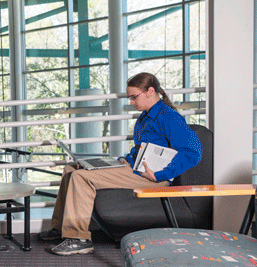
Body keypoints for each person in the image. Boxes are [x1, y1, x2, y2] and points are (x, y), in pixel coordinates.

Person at [40, 72, 203, 256]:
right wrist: (122, 160)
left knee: (81, 178)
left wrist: (160, 175)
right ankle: (61, 228)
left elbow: (194, 151)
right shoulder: (144, 117)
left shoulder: (169, 117)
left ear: (150, 91)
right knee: (71, 169)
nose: (131, 102)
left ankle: (78, 239)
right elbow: (141, 149)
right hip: (132, 168)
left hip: (149, 177)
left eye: (134, 97)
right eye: (130, 98)